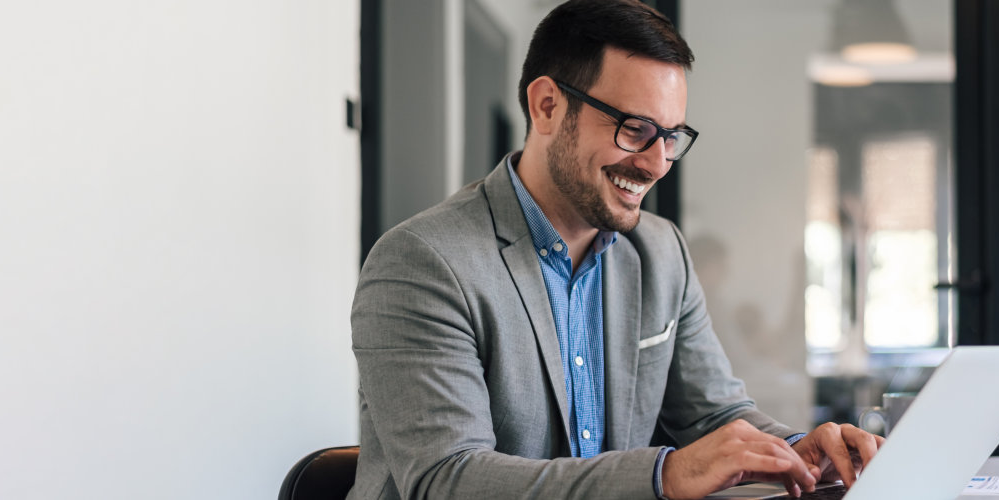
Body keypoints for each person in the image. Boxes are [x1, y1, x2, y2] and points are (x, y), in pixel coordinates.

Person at [349, 1, 881, 498]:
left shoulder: (661, 252)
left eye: (671, 136)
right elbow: (448, 480)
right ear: (548, 106)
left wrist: (795, 451)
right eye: (635, 129)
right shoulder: (422, 262)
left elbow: (714, 415)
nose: (655, 163)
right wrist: (665, 475)